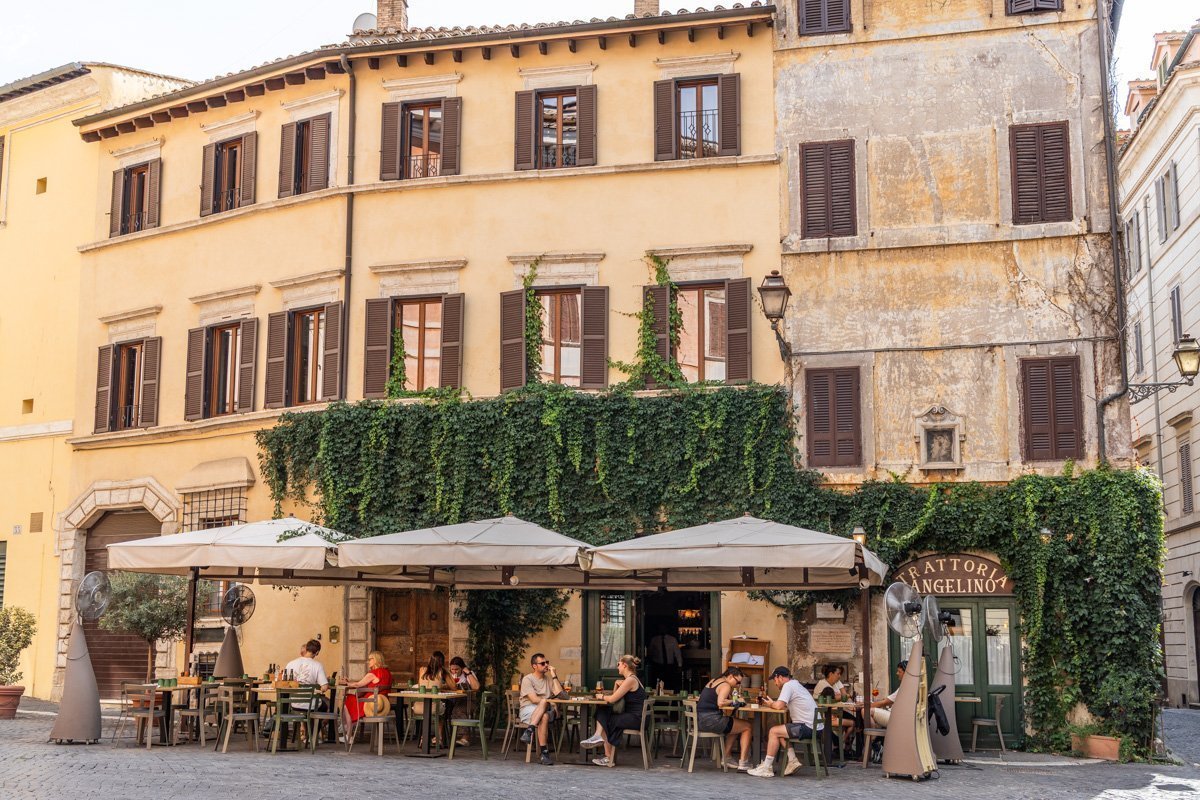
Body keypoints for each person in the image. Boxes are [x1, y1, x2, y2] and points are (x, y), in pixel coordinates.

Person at [747, 666, 818, 778]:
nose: (775, 683)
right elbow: (782, 704)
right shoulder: (795, 684)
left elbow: (779, 706)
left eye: (774, 680)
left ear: (779, 677)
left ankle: (766, 768)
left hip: (807, 728)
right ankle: (792, 760)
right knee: (780, 733)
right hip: (814, 728)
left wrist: (771, 704)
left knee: (773, 731)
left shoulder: (788, 685)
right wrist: (772, 704)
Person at [580, 654, 647, 767]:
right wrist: (616, 683)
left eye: (618, 664)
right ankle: (598, 738)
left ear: (625, 665)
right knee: (602, 711)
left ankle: (607, 754)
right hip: (633, 716)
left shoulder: (630, 680)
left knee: (604, 717)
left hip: (636, 718)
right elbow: (616, 697)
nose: (617, 667)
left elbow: (612, 699)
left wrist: (600, 696)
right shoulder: (631, 679)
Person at [696, 666, 753, 771]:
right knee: (747, 726)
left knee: (736, 724)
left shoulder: (713, 681)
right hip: (712, 721)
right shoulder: (725, 685)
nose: (738, 685)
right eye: (737, 682)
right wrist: (736, 700)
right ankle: (743, 762)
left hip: (702, 720)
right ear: (730, 676)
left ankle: (727, 757)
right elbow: (720, 703)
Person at [518, 652, 563, 765]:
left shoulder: (548, 679)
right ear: (534, 666)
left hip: (546, 709)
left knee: (544, 709)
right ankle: (544, 754)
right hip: (528, 710)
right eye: (542, 663)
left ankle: (529, 730)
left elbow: (561, 694)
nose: (546, 665)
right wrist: (547, 701)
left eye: (547, 662)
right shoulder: (528, 679)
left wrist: (554, 675)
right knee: (544, 715)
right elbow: (533, 699)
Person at [339, 651, 394, 737]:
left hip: (370, 704)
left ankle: (348, 733)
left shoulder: (373, 673)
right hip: (382, 705)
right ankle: (346, 727)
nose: (368, 661)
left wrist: (346, 683)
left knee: (348, 700)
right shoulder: (388, 673)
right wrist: (350, 682)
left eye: (370, 659)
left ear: (376, 660)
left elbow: (358, 684)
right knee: (351, 700)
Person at [283, 638, 330, 712]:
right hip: (312, 705)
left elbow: (284, 684)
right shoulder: (318, 665)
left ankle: (303, 723)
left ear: (306, 649)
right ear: (317, 652)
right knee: (325, 705)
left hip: (294, 704)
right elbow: (325, 687)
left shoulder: (290, 663)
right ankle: (315, 723)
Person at [447, 656, 481, 746]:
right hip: (452, 700)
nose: (454, 671)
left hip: (468, 701)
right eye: (452, 669)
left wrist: (468, 672)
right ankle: (442, 737)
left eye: (456, 669)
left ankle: (465, 737)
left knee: (458, 710)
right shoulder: (449, 675)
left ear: (462, 668)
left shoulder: (467, 675)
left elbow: (476, 687)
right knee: (442, 709)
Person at [869, 661, 907, 728]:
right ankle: (876, 734)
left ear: (906, 673)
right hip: (897, 715)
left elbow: (885, 702)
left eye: (899, 672)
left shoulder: (905, 687)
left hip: (895, 718)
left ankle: (872, 736)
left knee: (866, 711)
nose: (897, 673)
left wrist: (867, 706)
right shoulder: (908, 685)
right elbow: (887, 701)